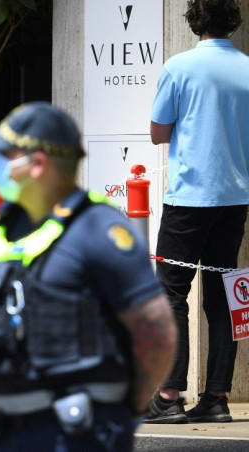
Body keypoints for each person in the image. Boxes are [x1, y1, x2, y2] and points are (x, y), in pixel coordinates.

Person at [0, 102, 177, 450]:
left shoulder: (98, 229)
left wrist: (125, 409)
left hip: (79, 430)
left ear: (38, 164)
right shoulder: (2, 227)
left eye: (7, 153)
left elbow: (155, 332)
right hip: (9, 426)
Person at [145, 0, 249, 424]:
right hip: (236, 198)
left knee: (171, 293)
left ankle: (169, 395)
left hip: (189, 199)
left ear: (194, 21)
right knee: (224, 295)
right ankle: (218, 397)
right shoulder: (247, 66)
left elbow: (157, 133)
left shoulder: (179, 66)